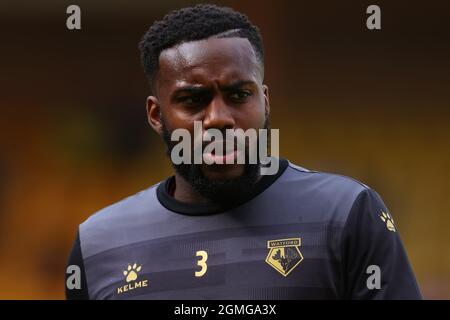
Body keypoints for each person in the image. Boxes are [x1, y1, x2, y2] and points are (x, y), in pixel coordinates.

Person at [65, 4, 421, 300]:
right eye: (193, 100)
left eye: (238, 96)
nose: (219, 119)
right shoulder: (98, 245)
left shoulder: (346, 214)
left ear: (264, 102)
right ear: (157, 115)